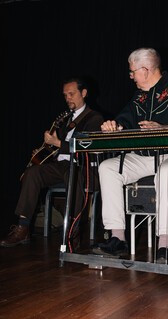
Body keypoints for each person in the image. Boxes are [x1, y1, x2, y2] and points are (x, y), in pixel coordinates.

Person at [92, 47, 168, 264]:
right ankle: (117, 238)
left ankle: (165, 245)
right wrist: (114, 125)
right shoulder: (138, 97)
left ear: (146, 69)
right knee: (108, 168)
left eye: (132, 71)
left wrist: (164, 128)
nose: (130, 76)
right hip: (145, 158)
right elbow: (125, 119)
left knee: (166, 171)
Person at [0, 77, 104, 248]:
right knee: (32, 172)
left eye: (72, 94)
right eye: (65, 95)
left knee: (73, 174)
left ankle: (73, 229)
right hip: (62, 166)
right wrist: (44, 153)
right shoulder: (65, 120)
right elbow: (58, 150)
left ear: (84, 93)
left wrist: (57, 144)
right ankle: (23, 228)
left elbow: (87, 147)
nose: (68, 98)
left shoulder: (94, 118)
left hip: (83, 167)